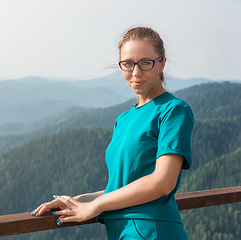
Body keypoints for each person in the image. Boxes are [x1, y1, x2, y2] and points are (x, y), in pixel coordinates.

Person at [31, 26, 194, 240]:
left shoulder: (173, 110)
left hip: (151, 230)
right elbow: (119, 188)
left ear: (162, 63)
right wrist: (76, 201)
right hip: (122, 231)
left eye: (146, 63)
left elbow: (162, 182)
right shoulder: (123, 119)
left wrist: (96, 206)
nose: (136, 72)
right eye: (128, 64)